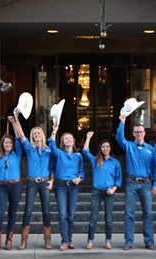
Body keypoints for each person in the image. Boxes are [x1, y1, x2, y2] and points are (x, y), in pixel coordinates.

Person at [10, 107, 55, 249]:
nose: (36, 135)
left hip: (45, 182)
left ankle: (47, 240)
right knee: (28, 210)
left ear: (42, 135)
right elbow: (21, 135)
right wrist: (16, 120)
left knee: (46, 210)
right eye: (34, 133)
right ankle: (24, 240)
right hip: (31, 182)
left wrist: (52, 180)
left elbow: (53, 165)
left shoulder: (49, 150)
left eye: (38, 133)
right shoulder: (29, 149)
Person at [115, 115, 156, 250]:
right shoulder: (129, 146)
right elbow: (119, 139)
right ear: (133, 134)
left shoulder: (150, 149)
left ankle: (149, 241)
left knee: (148, 213)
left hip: (146, 184)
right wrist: (122, 123)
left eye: (141, 131)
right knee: (129, 213)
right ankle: (129, 241)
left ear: (144, 133)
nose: (139, 134)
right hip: (131, 183)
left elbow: (155, 169)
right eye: (136, 132)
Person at [82, 132, 122, 250]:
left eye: (107, 147)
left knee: (108, 218)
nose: (105, 149)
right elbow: (85, 152)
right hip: (97, 192)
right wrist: (88, 137)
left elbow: (118, 179)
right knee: (93, 218)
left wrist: (113, 189)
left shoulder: (115, 162)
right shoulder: (96, 160)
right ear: (100, 148)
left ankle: (108, 241)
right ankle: (90, 241)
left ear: (110, 148)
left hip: (109, 193)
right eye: (103, 147)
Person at [48, 123, 84, 251]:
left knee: (71, 215)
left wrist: (79, 178)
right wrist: (54, 131)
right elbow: (51, 144)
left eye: (70, 138)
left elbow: (82, 172)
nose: (68, 140)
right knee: (62, 214)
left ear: (73, 141)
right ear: (62, 141)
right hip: (61, 186)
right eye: (66, 138)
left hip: (73, 187)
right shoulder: (59, 153)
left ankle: (70, 240)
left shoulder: (78, 156)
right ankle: (64, 241)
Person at [0, 126, 23, 251]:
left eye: (10, 142)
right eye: (6, 142)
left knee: (12, 212)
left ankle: (9, 239)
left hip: (15, 185)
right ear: (2, 144)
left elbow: (18, 139)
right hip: (2, 186)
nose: (8, 144)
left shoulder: (16, 155)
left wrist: (15, 123)